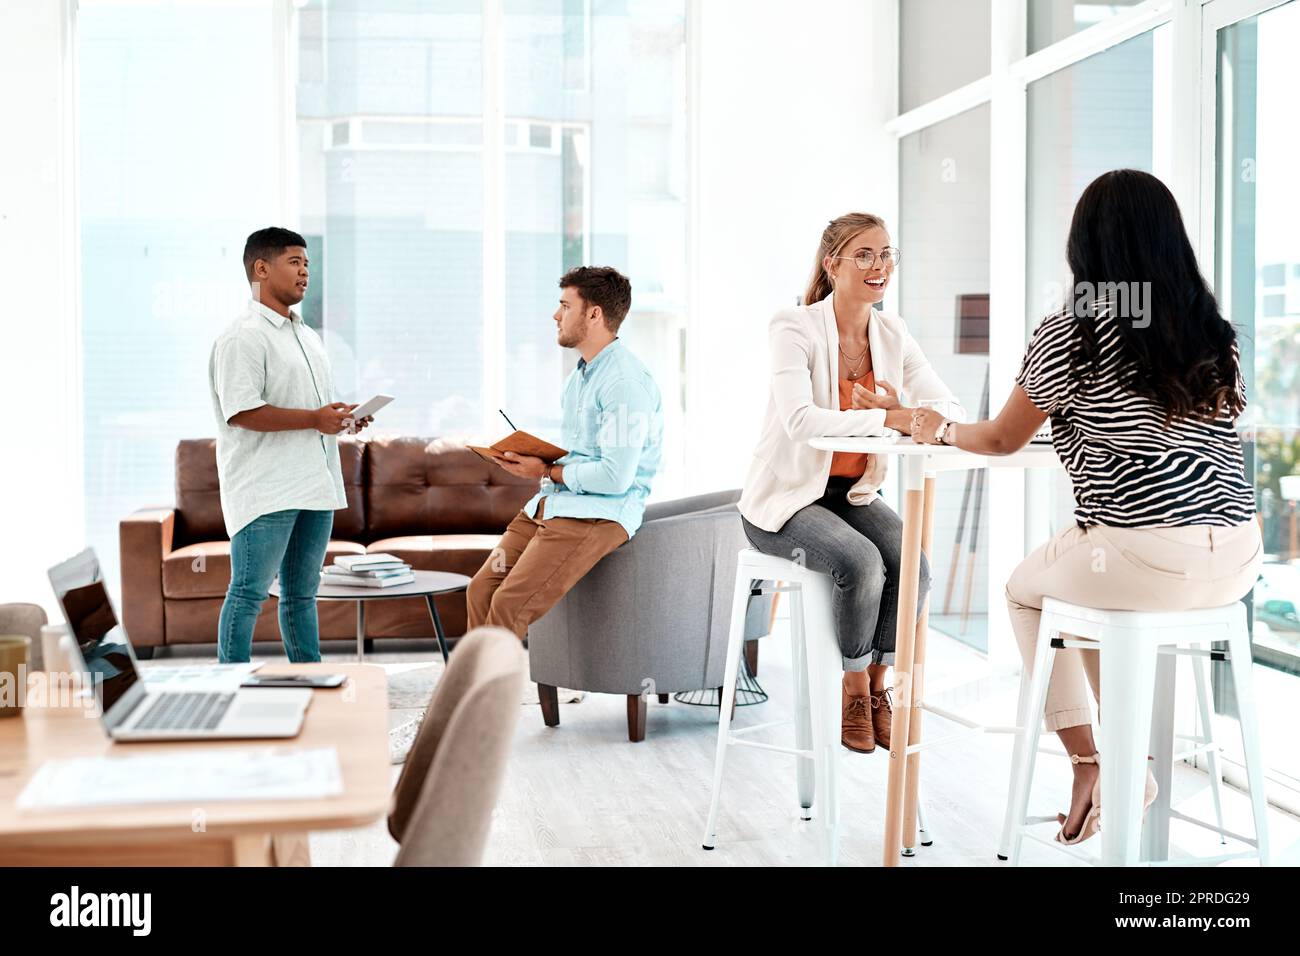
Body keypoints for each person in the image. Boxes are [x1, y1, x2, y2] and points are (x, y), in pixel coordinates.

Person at [911, 169, 1262, 844]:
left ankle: (1093, 760)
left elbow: (1001, 437)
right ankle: (1130, 763)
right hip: (1237, 554)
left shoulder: (1073, 330)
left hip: (1146, 552)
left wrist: (937, 427)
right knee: (1095, 590)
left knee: (1024, 592)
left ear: (1085, 247)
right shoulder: (1211, 330)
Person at [738, 212, 964, 754]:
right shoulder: (793, 327)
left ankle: (880, 687)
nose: (879, 266)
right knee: (861, 562)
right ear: (832, 263)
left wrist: (902, 407)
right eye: (864, 254)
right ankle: (854, 687)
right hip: (786, 501)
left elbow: (946, 406)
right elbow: (802, 420)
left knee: (914, 569)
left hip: (852, 495)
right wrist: (892, 418)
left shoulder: (892, 332)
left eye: (887, 254)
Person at [466, 266, 663, 638]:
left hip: (597, 514)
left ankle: (491, 696)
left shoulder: (624, 382)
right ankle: (476, 693)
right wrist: (538, 462)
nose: (556, 316)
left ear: (594, 314)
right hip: (554, 505)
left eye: (564, 306)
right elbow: (584, 455)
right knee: (481, 590)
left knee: (508, 604)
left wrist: (546, 471)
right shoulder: (579, 378)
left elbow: (614, 476)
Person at [208, 227, 372, 663]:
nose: (304, 273)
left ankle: (312, 684)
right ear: (261, 269)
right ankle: (230, 689)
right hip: (267, 490)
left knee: (301, 595)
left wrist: (340, 418)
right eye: (294, 262)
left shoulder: (307, 336)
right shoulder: (243, 336)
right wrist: (316, 419)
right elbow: (242, 411)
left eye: (307, 264)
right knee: (247, 593)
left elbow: (310, 410)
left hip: (314, 485)